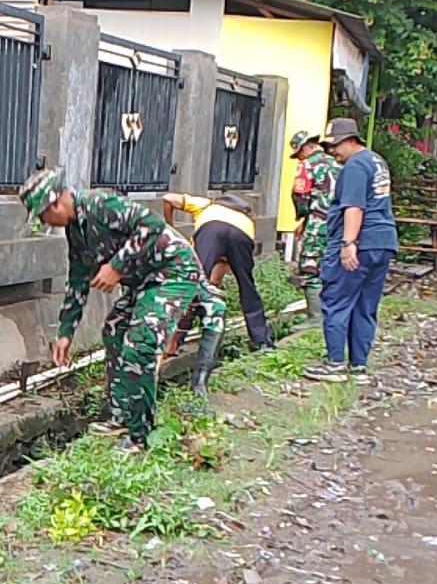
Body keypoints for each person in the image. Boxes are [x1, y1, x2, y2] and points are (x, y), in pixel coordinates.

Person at [21, 169, 204, 451]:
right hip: (145, 280)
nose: (46, 223)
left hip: (173, 271)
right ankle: (121, 416)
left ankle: (139, 435)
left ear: (54, 203)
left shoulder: (101, 205)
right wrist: (66, 332)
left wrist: (116, 266)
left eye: (43, 217)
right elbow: (78, 278)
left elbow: (152, 225)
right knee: (114, 329)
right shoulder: (76, 230)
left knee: (140, 343)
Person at [303, 118, 399, 384]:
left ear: (351, 140)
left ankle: (335, 364)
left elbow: (354, 207)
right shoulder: (376, 161)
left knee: (337, 301)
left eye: (335, 145)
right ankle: (358, 367)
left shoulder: (355, 166)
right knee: (365, 306)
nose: (332, 151)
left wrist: (348, 244)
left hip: (360, 242)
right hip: (382, 241)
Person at [161, 190, 272, 350]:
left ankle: (174, 341)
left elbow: (168, 198)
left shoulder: (207, 205)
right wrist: (212, 288)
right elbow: (222, 268)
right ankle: (261, 341)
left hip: (210, 229)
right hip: (242, 234)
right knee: (247, 286)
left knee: (192, 284)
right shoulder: (247, 221)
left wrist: (170, 228)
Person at [288, 130, 339, 323]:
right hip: (338, 224)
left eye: (299, 154)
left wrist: (303, 216)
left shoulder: (307, 165)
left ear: (305, 148)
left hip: (317, 225)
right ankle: (331, 313)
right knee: (330, 266)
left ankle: (315, 317)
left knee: (310, 267)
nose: (299, 158)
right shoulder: (338, 163)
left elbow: (300, 194)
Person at [161, 279, 228, 395]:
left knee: (216, 307)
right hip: (152, 286)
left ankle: (200, 378)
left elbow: (190, 296)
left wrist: (172, 340)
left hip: (184, 287)